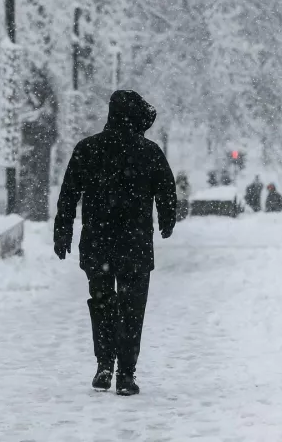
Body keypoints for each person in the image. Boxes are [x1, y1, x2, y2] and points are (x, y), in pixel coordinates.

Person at [54, 90, 177, 396]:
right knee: (133, 308)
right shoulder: (149, 152)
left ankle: (104, 364)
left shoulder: (88, 149)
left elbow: (69, 193)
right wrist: (166, 218)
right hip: (135, 244)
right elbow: (166, 189)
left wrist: (63, 230)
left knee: (103, 304)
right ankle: (126, 373)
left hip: (98, 242)